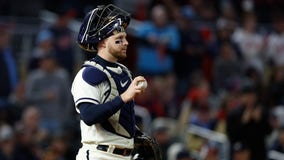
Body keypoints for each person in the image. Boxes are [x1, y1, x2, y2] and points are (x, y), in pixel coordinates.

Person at [71, 4, 148, 160]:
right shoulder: (89, 73)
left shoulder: (123, 71)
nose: (125, 43)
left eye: (125, 38)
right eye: (118, 40)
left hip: (124, 155)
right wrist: (125, 96)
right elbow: (89, 116)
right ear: (103, 43)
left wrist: (137, 136)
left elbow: (119, 117)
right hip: (98, 154)